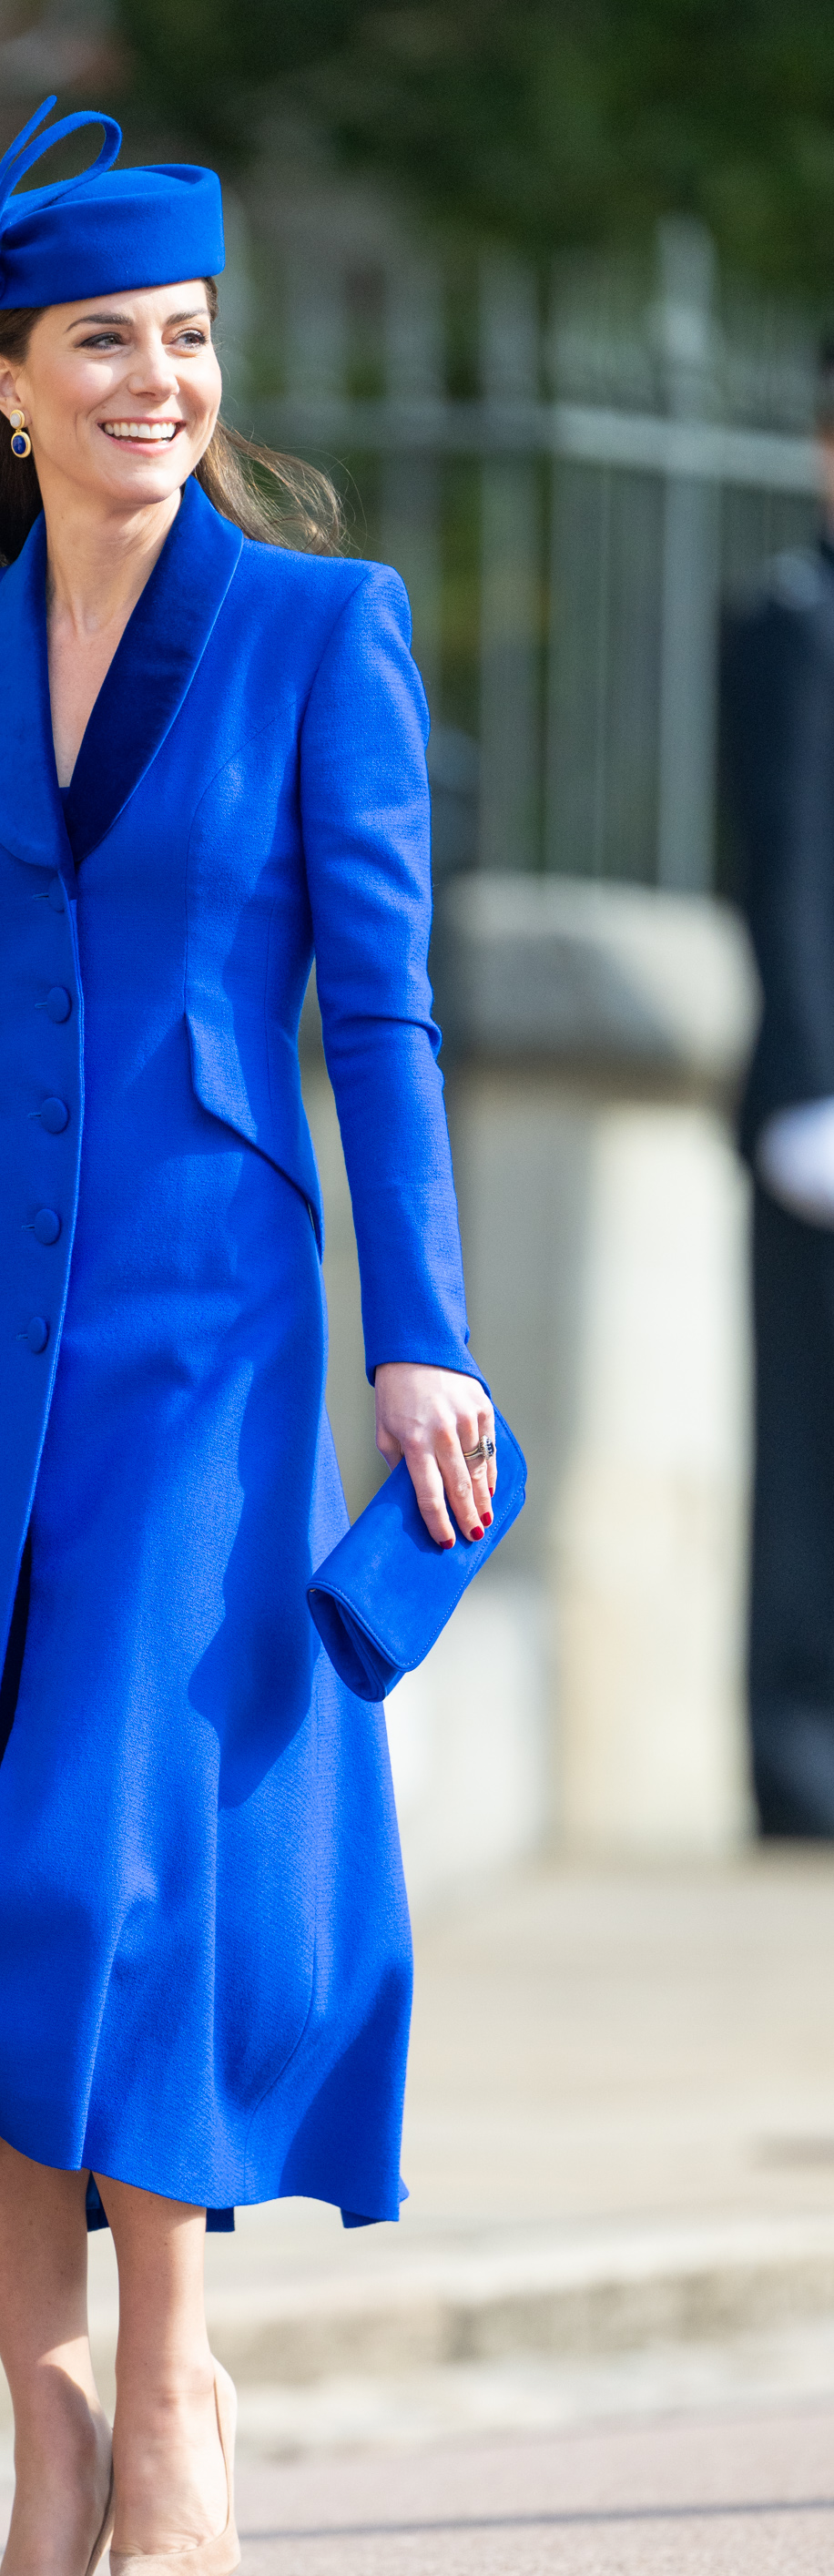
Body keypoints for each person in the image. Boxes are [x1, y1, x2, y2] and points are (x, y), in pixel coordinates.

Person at [0, 97, 496, 2576]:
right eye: (103, 345)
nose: (156, 381)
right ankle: (47, 2443)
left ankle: (174, 2391)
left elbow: (377, 1012)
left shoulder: (319, 629)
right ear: (6, 384)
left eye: (185, 339)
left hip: (205, 1327)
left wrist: (419, 1330)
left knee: (99, 1861)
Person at [721, 341, 834, 1839]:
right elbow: (787, 866)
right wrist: (810, 1085)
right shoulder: (794, 623)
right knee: (810, 1445)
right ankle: (804, 1755)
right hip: (824, 1106)